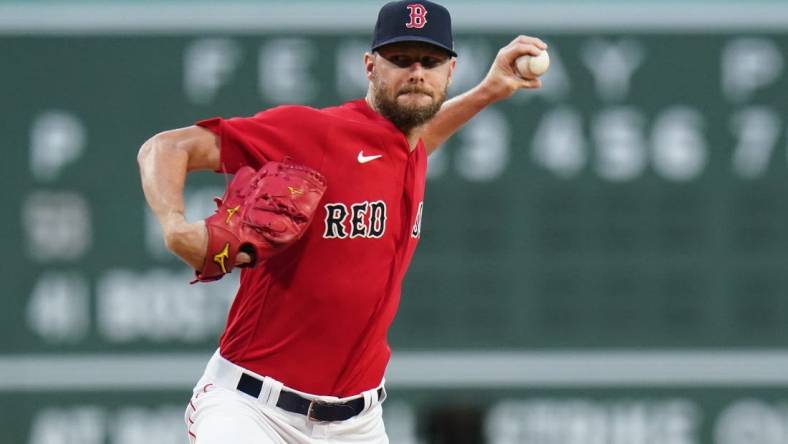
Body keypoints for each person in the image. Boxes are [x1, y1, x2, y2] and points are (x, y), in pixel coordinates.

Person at [137, 1, 546, 442]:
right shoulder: (314, 133)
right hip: (252, 410)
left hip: (357, 423)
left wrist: (489, 90)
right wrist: (174, 225)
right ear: (371, 67)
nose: (416, 73)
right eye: (400, 60)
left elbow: (421, 135)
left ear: (450, 72)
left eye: (430, 62)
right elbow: (165, 148)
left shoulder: (408, 150)